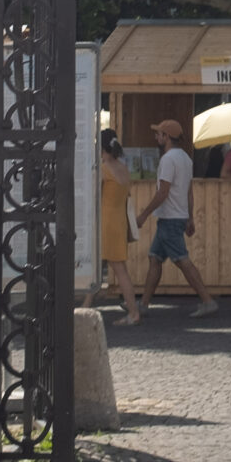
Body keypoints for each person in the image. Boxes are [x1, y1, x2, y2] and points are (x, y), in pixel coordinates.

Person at [138, 118, 220, 318]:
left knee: (182, 261)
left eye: (159, 133)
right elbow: (189, 192)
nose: (156, 136)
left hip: (169, 218)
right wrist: (189, 217)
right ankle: (143, 304)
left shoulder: (167, 160)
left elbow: (162, 192)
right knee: (154, 258)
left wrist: (143, 214)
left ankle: (207, 301)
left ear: (167, 137)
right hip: (178, 216)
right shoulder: (185, 158)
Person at [99, 127, 144, 325]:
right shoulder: (123, 168)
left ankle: (133, 312)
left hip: (107, 221)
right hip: (119, 220)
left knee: (118, 269)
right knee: (117, 267)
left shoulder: (103, 169)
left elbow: (95, 196)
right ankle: (85, 304)